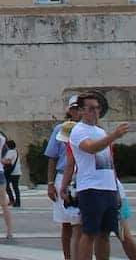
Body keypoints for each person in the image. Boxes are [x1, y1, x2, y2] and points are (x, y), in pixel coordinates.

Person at [67, 91, 129, 260]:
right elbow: (91, 148)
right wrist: (114, 135)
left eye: (98, 108)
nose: (96, 112)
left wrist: (116, 189)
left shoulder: (100, 132)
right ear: (81, 111)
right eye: (91, 108)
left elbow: (109, 163)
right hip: (90, 188)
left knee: (104, 233)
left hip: (107, 187)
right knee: (89, 233)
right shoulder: (78, 131)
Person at [45, 96, 83, 258]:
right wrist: (50, 182)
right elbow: (52, 157)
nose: (77, 112)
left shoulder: (90, 128)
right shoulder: (63, 128)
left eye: (80, 108)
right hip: (64, 178)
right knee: (67, 223)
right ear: (70, 110)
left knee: (80, 224)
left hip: (84, 177)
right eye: (74, 109)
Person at [3, 139, 22, 207]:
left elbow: (7, 161)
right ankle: (17, 202)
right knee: (15, 187)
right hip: (17, 172)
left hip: (11, 172)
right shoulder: (16, 151)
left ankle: (12, 200)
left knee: (6, 186)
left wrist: (1, 161)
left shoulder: (10, 152)